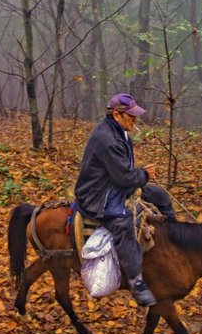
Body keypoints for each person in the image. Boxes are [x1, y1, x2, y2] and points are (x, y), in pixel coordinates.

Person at [74, 93, 175, 307]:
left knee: (160, 196)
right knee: (124, 222)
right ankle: (136, 282)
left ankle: (174, 236)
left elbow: (125, 172)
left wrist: (140, 175)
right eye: (131, 116)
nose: (134, 121)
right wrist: (144, 175)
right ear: (117, 115)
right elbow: (125, 176)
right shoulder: (107, 139)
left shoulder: (120, 132)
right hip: (98, 194)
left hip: (114, 184)